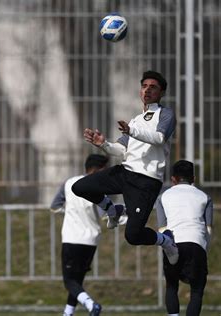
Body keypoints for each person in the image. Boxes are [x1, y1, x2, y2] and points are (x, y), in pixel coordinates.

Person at [71, 70, 179, 264]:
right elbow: (120, 150)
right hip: (125, 172)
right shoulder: (136, 119)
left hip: (146, 181)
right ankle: (114, 211)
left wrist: (132, 131)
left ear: (161, 92)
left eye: (153, 87)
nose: (147, 90)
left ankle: (166, 240)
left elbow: (159, 138)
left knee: (133, 236)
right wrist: (102, 144)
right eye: (144, 86)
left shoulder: (165, 114)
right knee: (80, 187)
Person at [51, 154, 122, 316]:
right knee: (78, 280)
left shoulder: (69, 183)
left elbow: (54, 207)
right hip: (91, 239)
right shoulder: (102, 187)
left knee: (69, 281)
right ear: (96, 170)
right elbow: (107, 212)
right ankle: (68, 313)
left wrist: (69, 212)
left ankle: (91, 305)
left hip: (72, 237)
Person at [155, 160, 213, 316]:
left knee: (171, 286)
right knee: (196, 291)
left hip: (172, 244)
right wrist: (203, 251)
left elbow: (162, 228)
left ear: (173, 179)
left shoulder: (163, 197)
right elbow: (208, 230)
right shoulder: (205, 197)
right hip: (196, 244)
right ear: (193, 178)